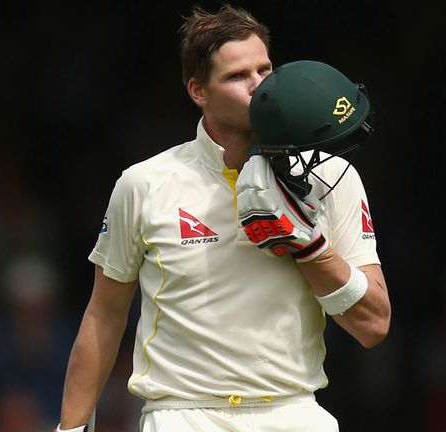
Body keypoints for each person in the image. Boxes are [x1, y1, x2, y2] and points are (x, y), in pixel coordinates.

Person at [56, 5, 391, 432]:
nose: (258, 87)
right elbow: (104, 316)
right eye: (237, 77)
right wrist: (71, 428)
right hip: (182, 414)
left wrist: (308, 248)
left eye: (264, 70)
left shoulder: (330, 175)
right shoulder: (144, 183)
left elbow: (374, 325)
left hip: (294, 411)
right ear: (199, 90)